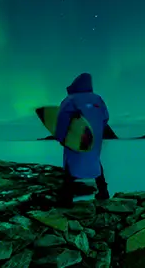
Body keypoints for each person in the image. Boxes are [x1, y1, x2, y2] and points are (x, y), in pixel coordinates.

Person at [54, 72, 110, 206]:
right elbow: (105, 117)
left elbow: (62, 119)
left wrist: (61, 137)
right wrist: (97, 130)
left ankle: (66, 199)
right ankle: (103, 192)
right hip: (94, 138)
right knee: (95, 160)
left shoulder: (70, 100)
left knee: (71, 165)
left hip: (76, 138)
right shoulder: (98, 99)